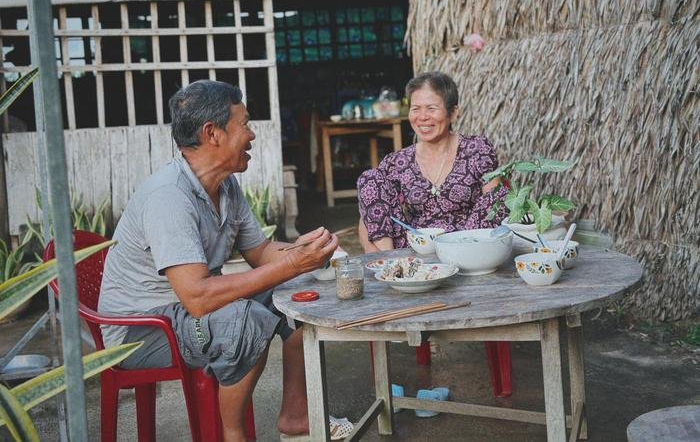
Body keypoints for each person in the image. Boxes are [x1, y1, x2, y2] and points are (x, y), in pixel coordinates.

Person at [98, 80, 339, 442]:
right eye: (244, 123)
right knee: (244, 322)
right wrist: (292, 264)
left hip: (186, 308)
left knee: (299, 297)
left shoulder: (224, 184)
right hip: (143, 329)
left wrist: (308, 254)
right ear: (212, 133)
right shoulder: (169, 198)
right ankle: (231, 434)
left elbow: (260, 253)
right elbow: (198, 297)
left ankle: (296, 415)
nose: (252, 134)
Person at [357, 71, 507, 252]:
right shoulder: (396, 162)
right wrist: (375, 257)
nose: (422, 117)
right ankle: (391, 261)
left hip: (469, 245)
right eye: (415, 108)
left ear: (453, 113)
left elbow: (494, 205)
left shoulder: (477, 149)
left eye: (431, 108)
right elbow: (370, 214)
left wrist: (468, 247)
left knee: (499, 194)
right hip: (416, 249)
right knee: (370, 179)